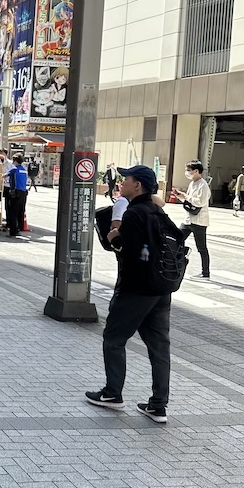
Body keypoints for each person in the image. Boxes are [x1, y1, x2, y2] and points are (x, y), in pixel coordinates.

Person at [86, 166, 173, 424]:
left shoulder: (134, 214)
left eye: (127, 179)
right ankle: (158, 406)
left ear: (138, 186)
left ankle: (113, 394)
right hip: (160, 290)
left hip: (136, 290)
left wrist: (114, 236)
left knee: (114, 338)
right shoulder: (157, 211)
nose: (123, 183)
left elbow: (130, 253)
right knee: (159, 347)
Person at [174, 160, 211, 279]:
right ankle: (175, 263)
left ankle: (205, 272)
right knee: (176, 239)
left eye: (189, 170)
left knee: (202, 247)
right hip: (188, 219)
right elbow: (189, 201)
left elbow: (200, 202)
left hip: (199, 221)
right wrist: (181, 196)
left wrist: (185, 196)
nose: (187, 173)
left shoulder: (203, 185)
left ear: (196, 171)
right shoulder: (192, 184)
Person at [7, 154, 29, 237]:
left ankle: (13, 231)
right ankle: (20, 228)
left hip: (15, 193)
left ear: (15, 161)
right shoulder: (24, 170)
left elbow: (3, 176)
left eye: (13, 161)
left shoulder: (14, 170)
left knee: (13, 212)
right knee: (21, 212)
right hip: (23, 193)